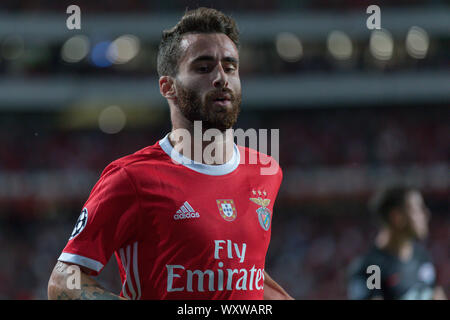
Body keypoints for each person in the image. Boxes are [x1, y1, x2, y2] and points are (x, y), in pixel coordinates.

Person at [48, 7, 293, 300]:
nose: (221, 78)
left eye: (230, 67)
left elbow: (242, 274)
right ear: (168, 87)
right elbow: (62, 282)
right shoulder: (131, 178)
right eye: (203, 68)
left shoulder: (265, 169)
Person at [347, 185, 446, 300]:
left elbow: (436, 294)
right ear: (397, 217)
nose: (426, 214)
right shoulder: (372, 268)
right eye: (417, 209)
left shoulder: (422, 257)